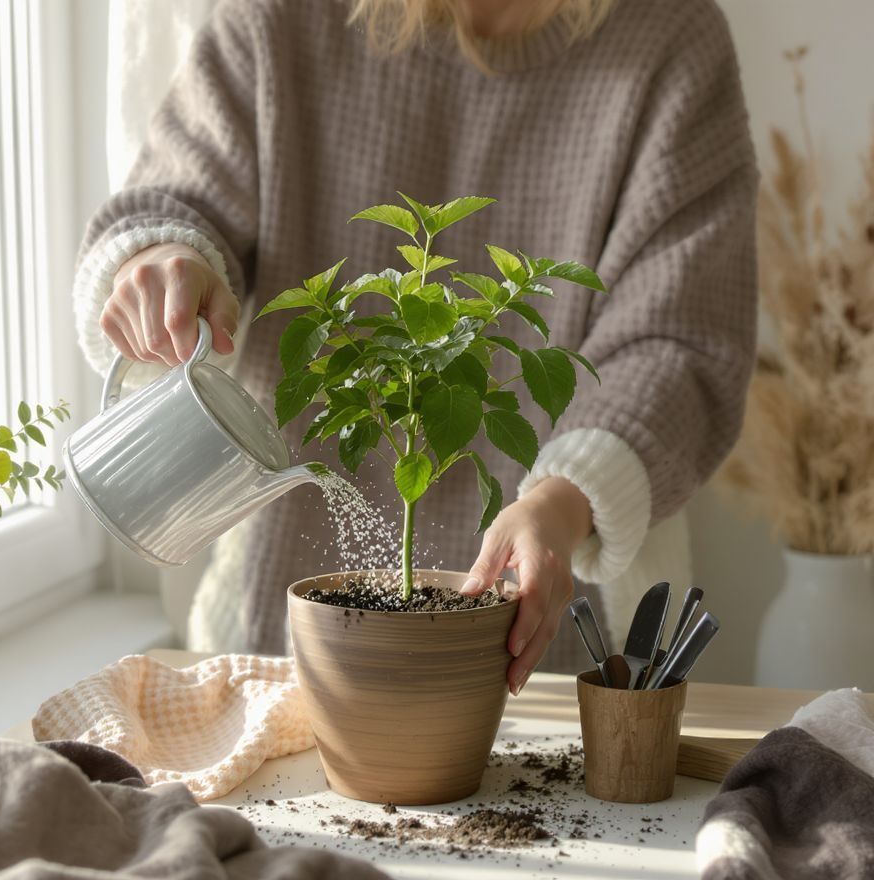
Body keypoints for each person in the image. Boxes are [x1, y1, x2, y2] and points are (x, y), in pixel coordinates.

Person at [72, 0, 757, 695]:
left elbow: (679, 338)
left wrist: (562, 501)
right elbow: (181, 198)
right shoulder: (277, 18)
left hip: (561, 659)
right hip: (277, 643)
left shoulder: (669, 33)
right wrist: (162, 262)